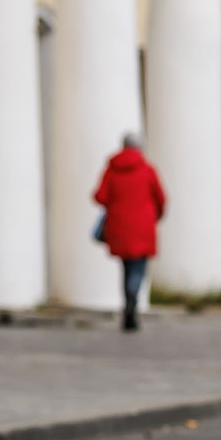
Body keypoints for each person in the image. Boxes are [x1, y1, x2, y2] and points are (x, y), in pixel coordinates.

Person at [92, 133, 165, 333]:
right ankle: (133, 298)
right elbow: (161, 198)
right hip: (143, 226)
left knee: (125, 267)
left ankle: (128, 302)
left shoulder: (111, 170)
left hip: (119, 226)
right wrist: (155, 216)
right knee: (138, 268)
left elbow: (100, 196)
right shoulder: (148, 171)